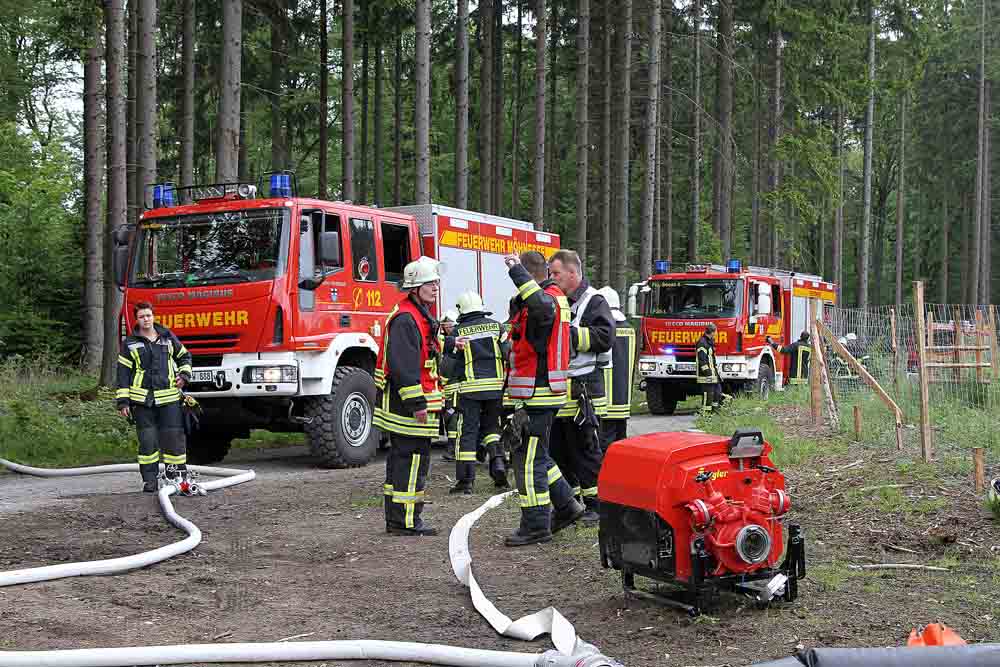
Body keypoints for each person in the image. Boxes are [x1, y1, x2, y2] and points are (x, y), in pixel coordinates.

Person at [503, 251, 586, 546]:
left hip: (537, 394)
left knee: (528, 463)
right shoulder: (551, 297)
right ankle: (567, 505)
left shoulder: (546, 298)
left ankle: (536, 524)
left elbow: (538, 307)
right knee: (539, 456)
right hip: (540, 392)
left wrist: (515, 272)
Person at [374, 256, 446, 536]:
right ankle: (406, 521)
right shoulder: (407, 319)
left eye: (436, 282)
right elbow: (405, 368)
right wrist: (418, 404)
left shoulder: (416, 314)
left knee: (404, 460)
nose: (435, 287)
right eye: (430, 282)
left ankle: (399, 520)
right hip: (409, 408)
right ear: (415, 287)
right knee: (411, 461)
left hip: (410, 405)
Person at [547, 249, 615, 523]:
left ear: (573, 273)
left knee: (585, 450)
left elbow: (605, 336)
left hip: (584, 391)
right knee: (560, 449)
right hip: (562, 391)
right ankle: (571, 503)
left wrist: (570, 335)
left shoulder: (593, 301)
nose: (552, 278)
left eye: (556, 273)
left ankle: (596, 505)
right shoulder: (559, 300)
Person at [116, 301, 193, 493]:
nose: (146, 319)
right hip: (142, 402)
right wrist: (123, 402)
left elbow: (185, 357)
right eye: (142, 316)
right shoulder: (130, 343)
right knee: (148, 442)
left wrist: (184, 376)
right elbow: (123, 373)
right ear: (137, 319)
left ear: (153, 316)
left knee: (173, 441)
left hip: (169, 400)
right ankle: (150, 481)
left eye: (148, 315)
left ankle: (176, 479)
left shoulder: (167, 337)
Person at [449, 291, 508, 493]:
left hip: (470, 390)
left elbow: (451, 366)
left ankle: (466, 481)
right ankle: (499, 464)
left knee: (468, 432)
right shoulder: (497, 326)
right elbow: (509, 353)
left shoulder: (458, 331)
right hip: (496, 389)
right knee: (492, 428)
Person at [597, 286, 635, 452]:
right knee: (621, 442)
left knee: (605, 443)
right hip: (623, 399)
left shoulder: (604, 330)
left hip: (605, 399)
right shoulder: (629, 329)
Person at [439, 309, 461, 462]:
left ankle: (452, 448)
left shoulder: (457, 342)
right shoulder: (441, 341)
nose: (448, 328)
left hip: (454, 385)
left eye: (450, 325)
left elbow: (449, 364)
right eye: (445, 325)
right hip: (444, 386)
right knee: (448, 416)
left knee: (452, 415)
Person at [696, 323, 723, 413]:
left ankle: (714, 411)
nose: (716, 334)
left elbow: (712, 360)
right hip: (706, 376)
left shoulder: (709, 342)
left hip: (713, 374)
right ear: (712, 332)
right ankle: (706, 414)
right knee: (708, 395)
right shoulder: (702, 343)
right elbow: (702, 360)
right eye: (715, 332)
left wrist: (716, 374)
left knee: (717, 393)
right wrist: (708, 373)